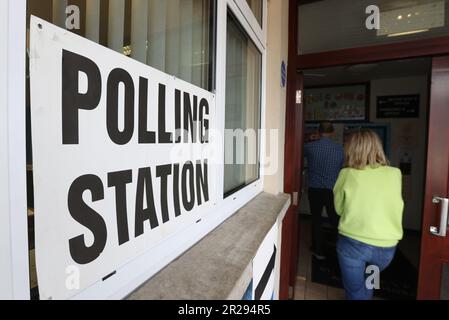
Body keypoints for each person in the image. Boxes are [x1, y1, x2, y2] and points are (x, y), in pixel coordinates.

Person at [333, 129, 404, 300]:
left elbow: (339, 209)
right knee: (370, 281)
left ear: (350, 149)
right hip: (386, 249)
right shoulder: (395, 174)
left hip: (353, 244)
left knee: (355, 291)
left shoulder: (347, 173)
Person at [304, 122, 344, 260]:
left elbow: (301, 155)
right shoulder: (340, 149)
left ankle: (319, 251)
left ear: (318, 131)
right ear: (333, 132)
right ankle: (342, 251)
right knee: (335, 220)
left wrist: (310, 139)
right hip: (333, 190)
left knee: (316, 219)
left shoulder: (309, 147)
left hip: (315, 189)